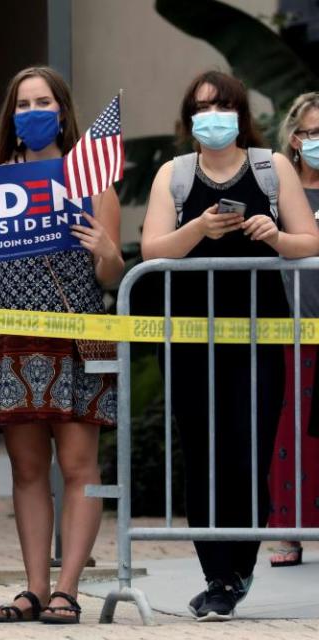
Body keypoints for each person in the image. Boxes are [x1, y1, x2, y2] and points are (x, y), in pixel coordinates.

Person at [0, 65, 123, 625]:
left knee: (79, 463)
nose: (32, 112)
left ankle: (69, 590)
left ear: (62, 111)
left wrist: (106, 245)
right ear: (10, 116)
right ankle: (35, 588)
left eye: (42, 102)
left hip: (81, 332)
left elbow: (110, 274)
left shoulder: (91, 177)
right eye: (22, 104)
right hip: (12, 333)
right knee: (27, 467)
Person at [141, 71, 319, 621]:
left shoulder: (272, 167)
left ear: (240, 112)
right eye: (200, 107)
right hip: (191, 337)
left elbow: (309, 240)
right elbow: (152, 248)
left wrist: (275, 236)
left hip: (258, 334)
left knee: (249, 448)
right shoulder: (173, 174)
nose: (211, 116)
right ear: (188, 118)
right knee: (201, 451)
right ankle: (215, 574)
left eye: (220, 105)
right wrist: (199, 229)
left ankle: (237, 571)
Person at [268, 91, 319, 567]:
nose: (317, 141)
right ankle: (288, 532)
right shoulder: (279, 190)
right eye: (310, 132)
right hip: (289, 331)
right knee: (289, 434)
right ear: (294, 138)